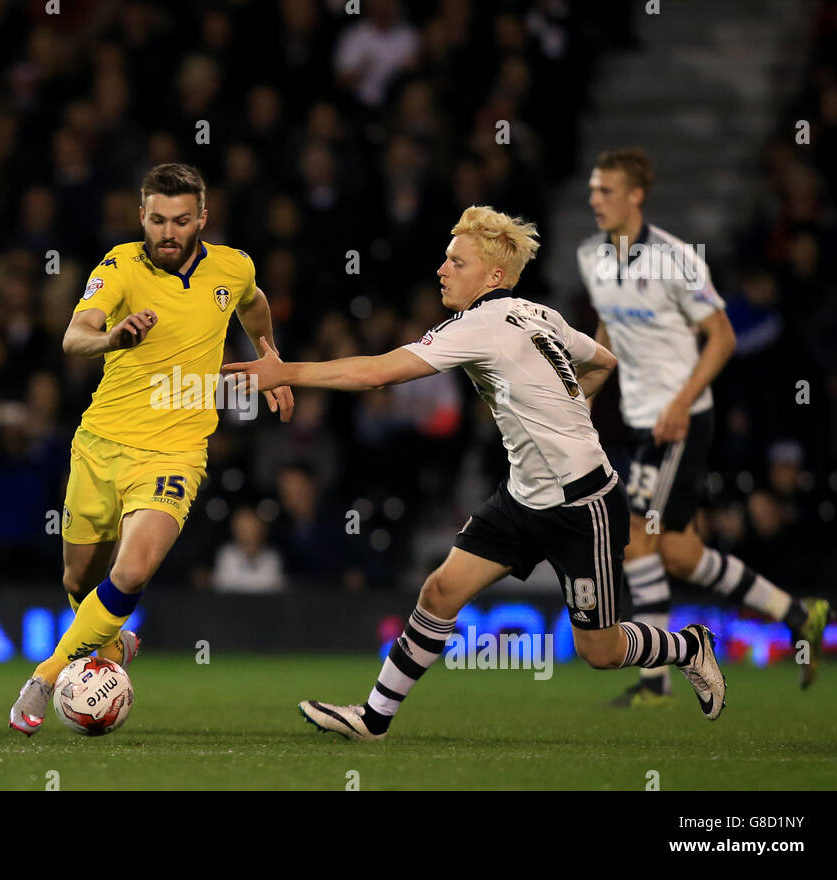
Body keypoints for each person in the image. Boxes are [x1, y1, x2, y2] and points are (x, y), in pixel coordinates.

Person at [223, 205, 726, 740]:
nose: (442, 270)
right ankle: (373, 719)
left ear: (492, 276)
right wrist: (571, 404)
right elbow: (604, 361)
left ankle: (688, 645)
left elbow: (376, 374)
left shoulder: (481, 325)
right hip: (522, 496)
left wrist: (286, 372)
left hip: (583, 505)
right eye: (445, 259)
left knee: (598, 652)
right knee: (439, 592)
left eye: (456, 262)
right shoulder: (541, 314)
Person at [8, 163, 294, 735]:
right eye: (158, 219)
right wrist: (112, 337)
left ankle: (47, 674)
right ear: (142, 216)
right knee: (76, 581)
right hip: (100, 445)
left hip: (175, 453)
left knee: (132, 570)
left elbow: (255, 304)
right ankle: (113, 648)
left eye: (181, 221)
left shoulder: (232, 268)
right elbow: (73, 334)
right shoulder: (119, 266)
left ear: (202, 220)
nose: (168, 231)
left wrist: (271, 357)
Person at [578, 148, 830, 703]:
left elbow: (723, 337)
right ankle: (797, 612)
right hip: (645, 423)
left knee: (637, 542)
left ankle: (655, 683)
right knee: (679, 553)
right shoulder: (596, 260)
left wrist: (679, 402)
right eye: (593, 189)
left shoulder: (674, 259)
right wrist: (581, 403)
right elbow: (606, 339)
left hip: (680, 421)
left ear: (636, 196)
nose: (595, 199)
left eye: (607, 190)